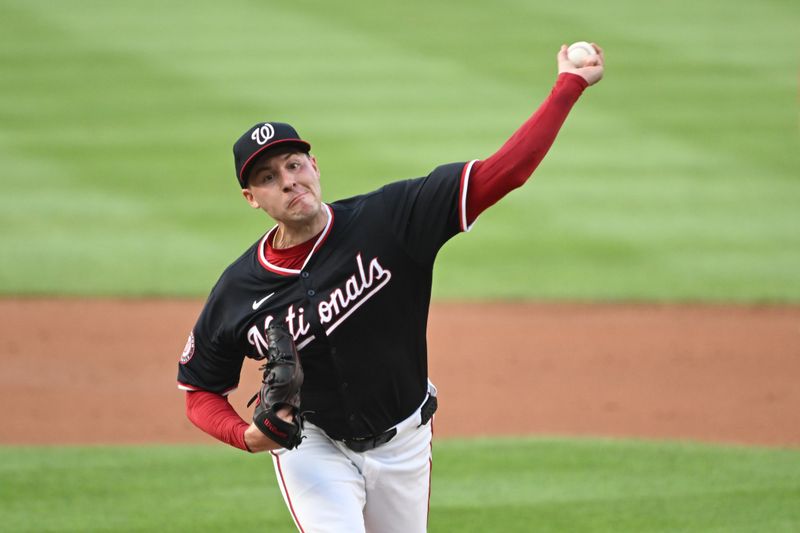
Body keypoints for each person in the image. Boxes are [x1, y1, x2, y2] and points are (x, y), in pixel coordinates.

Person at [177, 44, 604, 532]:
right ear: (251, 198)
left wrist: (568, 85)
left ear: (315, 165)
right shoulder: (238, 290)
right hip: (311, 445)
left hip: (404, 442)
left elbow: (505, 172)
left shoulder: (391, 219)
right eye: (269, 178)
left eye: (294, 165)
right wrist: (247, 435)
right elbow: (199, 390)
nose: (289, 182)